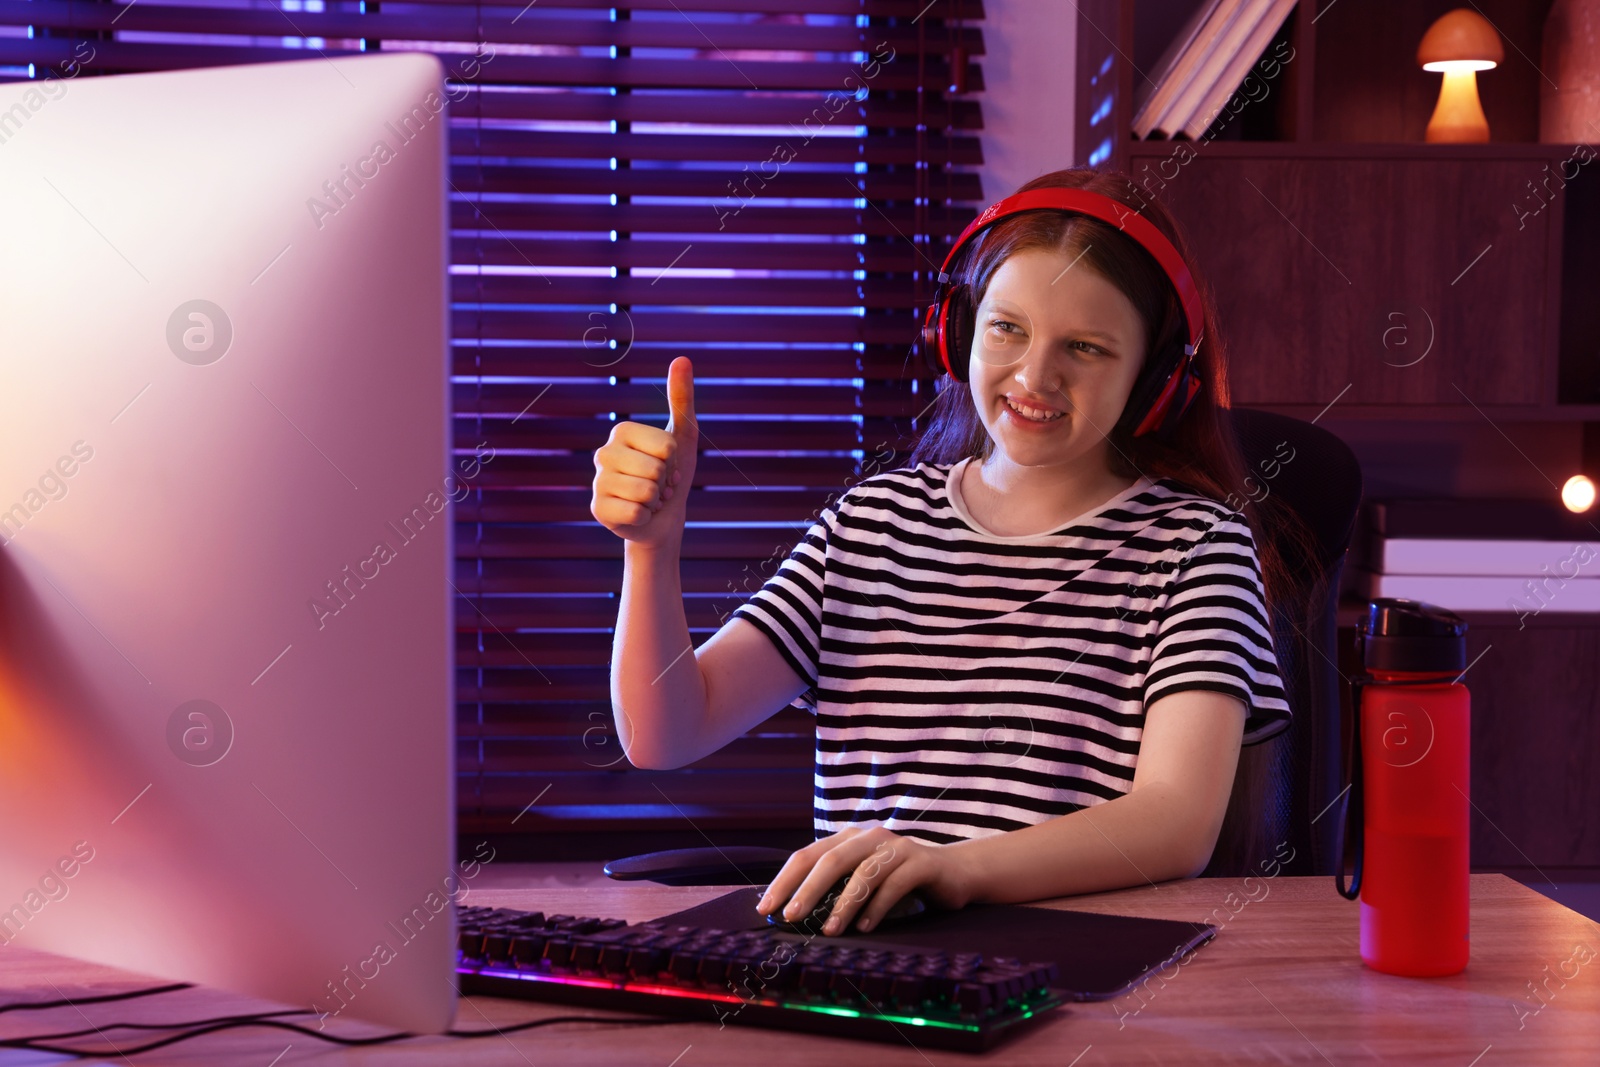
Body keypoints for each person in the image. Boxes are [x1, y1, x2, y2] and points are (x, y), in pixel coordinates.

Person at [589, 167, 1320, 938]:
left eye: (1087, 347)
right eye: (1008, 328)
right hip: (867, 961)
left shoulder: (1198, 546)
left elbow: (1175, 822)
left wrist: (956, 867)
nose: (1036, 375)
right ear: (959, 332)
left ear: (1157, 380)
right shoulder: (869, 524)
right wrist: (651, 550)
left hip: (1070, 963)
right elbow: (662, 733)